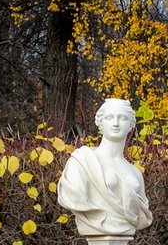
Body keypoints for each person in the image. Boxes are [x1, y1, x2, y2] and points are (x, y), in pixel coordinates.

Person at [57, 99, 153, 237]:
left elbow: (142, 216)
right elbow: (75, 196)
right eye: (109, 118)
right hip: (95, 230)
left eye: (122, 118)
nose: (115, 123)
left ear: (131, 125)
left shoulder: (135, 173)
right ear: (100, 123)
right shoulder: (82, 161)